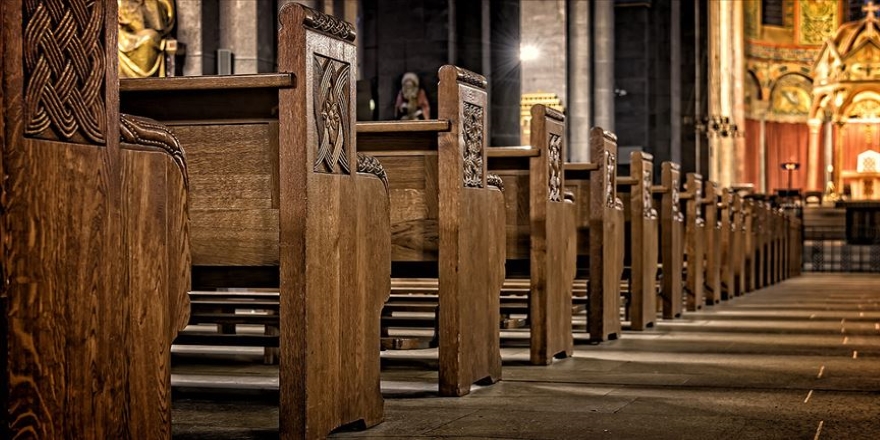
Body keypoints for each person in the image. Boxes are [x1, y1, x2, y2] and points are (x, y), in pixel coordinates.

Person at [118, 0, 175, 78]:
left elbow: (166, 10)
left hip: (144, 29)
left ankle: (145, 85)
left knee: (149, 39)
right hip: (118, 30)